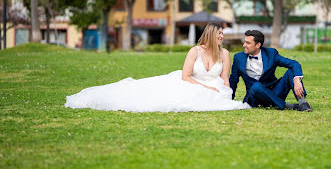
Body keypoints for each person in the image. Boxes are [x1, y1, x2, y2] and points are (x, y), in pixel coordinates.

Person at [65, 23, 250, 113]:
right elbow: (186, 76)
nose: (222, 37)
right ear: (211, 35)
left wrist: (226, 91)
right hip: (192, 83)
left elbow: (225, 76)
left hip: (216, 87)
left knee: (214, 100)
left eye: (222, 34)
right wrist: (205, 87)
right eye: (219, 33)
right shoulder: (195, 51)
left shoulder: (224, 53)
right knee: (158, 97)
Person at [229, 30, 312, 111]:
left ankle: (302, 103)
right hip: (255, 96)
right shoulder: (238, 58)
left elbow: (294, 63)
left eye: (248, 43)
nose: (244, 45)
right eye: (244, 42)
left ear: (258, 45)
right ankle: (288, 106)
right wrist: (229, 100)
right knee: (256, 86)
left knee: (291, 72)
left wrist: (297, 80)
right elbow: (233, 80)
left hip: (274, 91)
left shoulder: (271, 54)